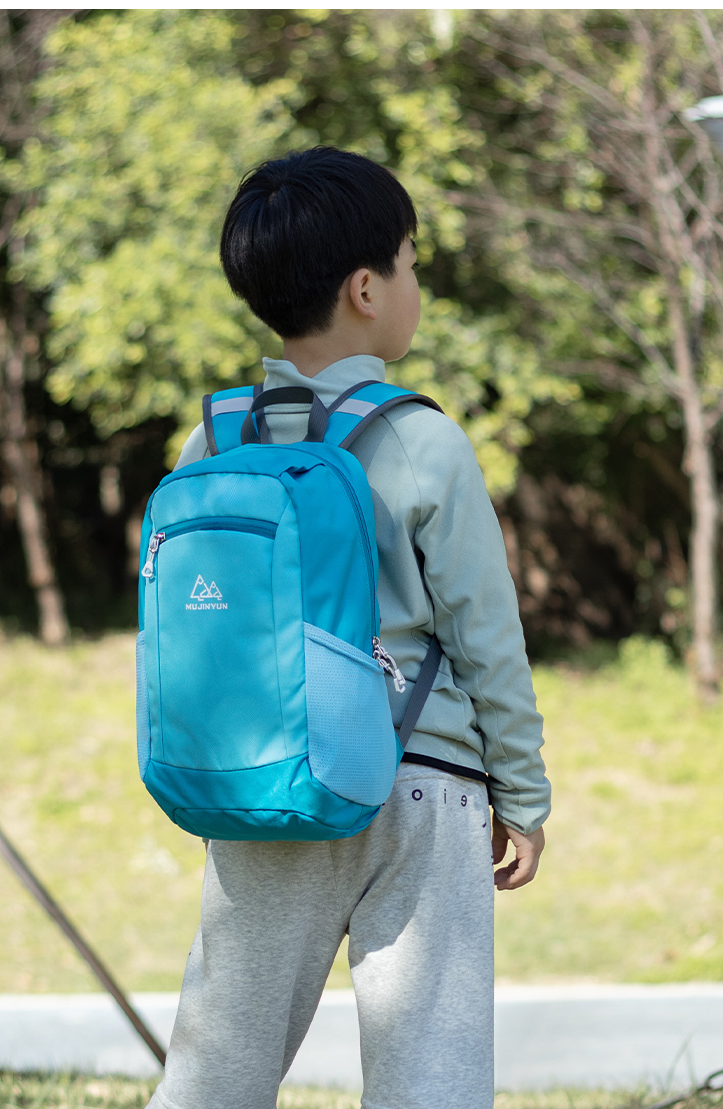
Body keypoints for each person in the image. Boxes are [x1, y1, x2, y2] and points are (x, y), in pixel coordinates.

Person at [146, 146, 550, 1109]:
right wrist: (523, 795)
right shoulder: (422, 438)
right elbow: (488, 636)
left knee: (217, 1066)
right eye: (410, 264)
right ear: (366, 289)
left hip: (269, 774)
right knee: (429, 1078)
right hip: (423, 786)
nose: (417, 285)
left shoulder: (214, 439)